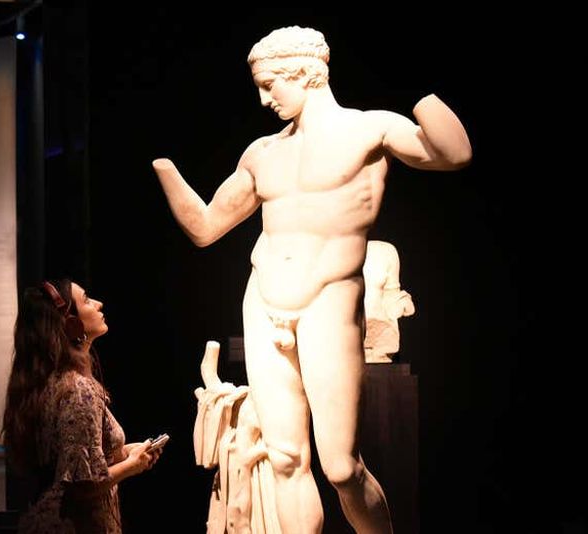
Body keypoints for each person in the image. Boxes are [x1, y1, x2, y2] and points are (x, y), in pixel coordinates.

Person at [153, 26, 471, 534]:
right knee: (284, 459)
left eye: (270, 84)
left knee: (341, 467)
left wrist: (423, 96)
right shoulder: (262, 152)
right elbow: (206, 227)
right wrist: (164, 168)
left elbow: (454, 155)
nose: (264, 99)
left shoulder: (370, 130)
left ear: (305, 72)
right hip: (262, 298)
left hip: (330, 298)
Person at [2, 279, 162, 533]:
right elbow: (81, 487)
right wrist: (132, 465)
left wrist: (123, 452)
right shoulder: (78, 389)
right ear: (72, 324)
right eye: (86, 300)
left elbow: (72, 458)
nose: (99, 304)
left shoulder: (51, 382)